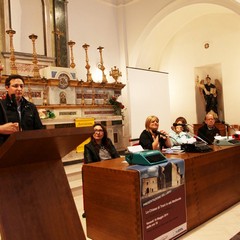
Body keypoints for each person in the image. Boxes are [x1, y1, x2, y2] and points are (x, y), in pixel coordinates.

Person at [0, 74, 43, 145]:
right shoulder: (1, 105)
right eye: (15, 86)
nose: (19, 89)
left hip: (27, 147)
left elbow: (39, 129)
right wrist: (1, 129)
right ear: (7, 88)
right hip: (7, 148)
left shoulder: (31, 107)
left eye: (21, 86)